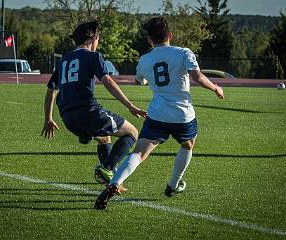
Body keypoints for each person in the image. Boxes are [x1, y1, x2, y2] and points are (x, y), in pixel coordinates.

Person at [94, 16, 224, 209]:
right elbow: (197, 76)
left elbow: (140, 80)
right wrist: (215, 88)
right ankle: (173, 185)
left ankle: (114, 183)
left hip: (157, 114)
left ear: (149, 40)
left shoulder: (145, 60)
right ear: (170, 35)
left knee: (139, 152)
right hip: (183, 115)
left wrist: (146, 80)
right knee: (188, 145)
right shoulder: (183, 53)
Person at [41, 20, 147, 188]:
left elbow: (50, 92)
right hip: (89, 113)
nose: (99, 42)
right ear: (93, 38)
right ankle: (107, 168)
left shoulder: (64, 61)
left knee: (104, 138)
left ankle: (110, 181)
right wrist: (130, 106)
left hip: (68, 117)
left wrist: (48, 118)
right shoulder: (93, 56)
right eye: (98, 38)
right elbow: (108, 82)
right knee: (132, 133)